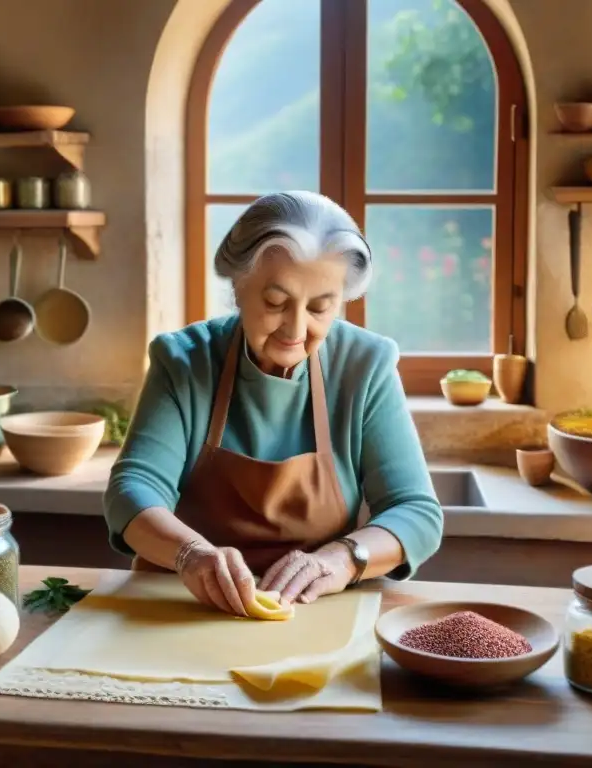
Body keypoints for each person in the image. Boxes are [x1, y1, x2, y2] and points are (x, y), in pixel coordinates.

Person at [104, 191, 443, 616]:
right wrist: (189, 554)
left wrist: (342, 559)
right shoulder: (184, 361)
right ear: (238, 285)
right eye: (275, 303)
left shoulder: (365, 365)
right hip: (183, 604)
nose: (296, 329)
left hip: (315, 611)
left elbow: (415, 511)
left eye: (321, 307)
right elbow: (132, 489)